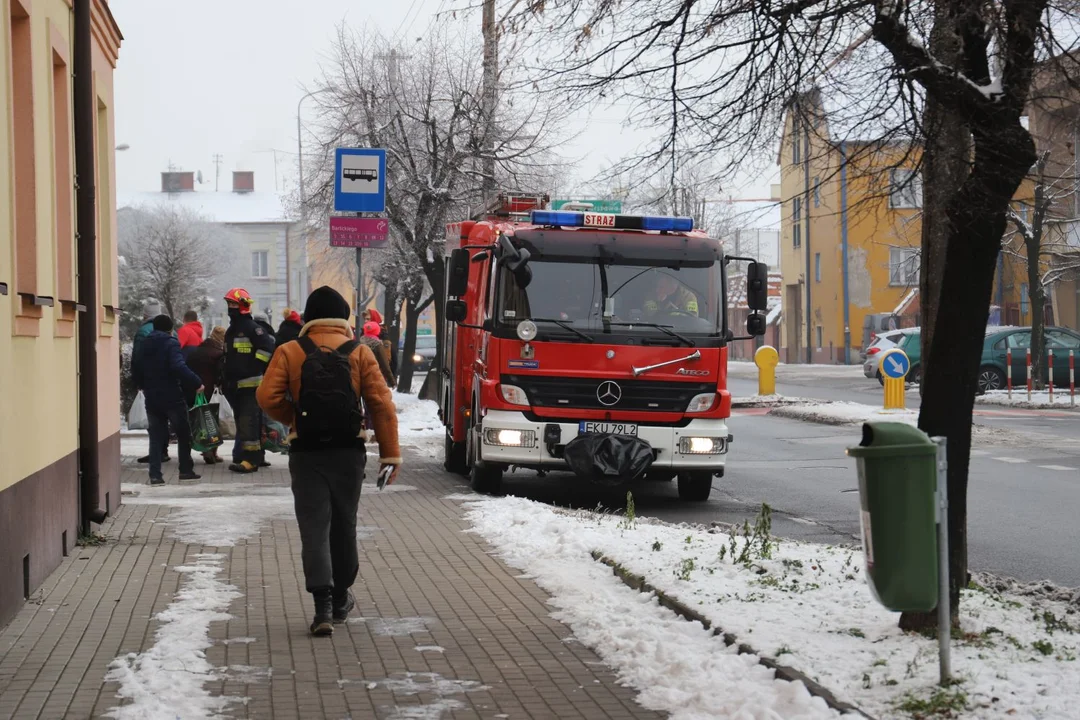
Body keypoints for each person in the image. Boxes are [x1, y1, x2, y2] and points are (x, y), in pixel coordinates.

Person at [257, 286, 401, 636]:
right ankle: (340, 600)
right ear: (344, 319)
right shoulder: (359, 352)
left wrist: (294, 418)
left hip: (307, 452)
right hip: (347, 451)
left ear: (309, 317)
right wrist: (390, 455)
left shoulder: (290, 350)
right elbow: (381, 405)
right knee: (343, 525)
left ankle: (321, 607)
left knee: (313, 527)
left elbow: (266, 396)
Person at [133, 315, 204, 485]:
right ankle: (185, 470)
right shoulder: (171, 343)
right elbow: (178, 366)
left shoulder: (144, 343)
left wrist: (141, 384)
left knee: (156, 436)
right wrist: (196, 382)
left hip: (151, 395)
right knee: (183, 432)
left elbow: (137, 365)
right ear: (170, 329)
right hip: (171, 395)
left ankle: (155, 475)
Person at [222, 288, 275, 473]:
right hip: (236, 386)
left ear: (243, 305)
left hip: (250, 385)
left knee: (248, 422)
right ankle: (254, 457)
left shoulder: (253, 329)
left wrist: (252, 368)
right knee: (244, 422)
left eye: (234, 304)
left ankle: (250, 461)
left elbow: (267, 350)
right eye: (229, 304)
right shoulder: (232, 330)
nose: (230, 308)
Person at [133, 300, 170, 465]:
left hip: (150, 382)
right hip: (168, 382)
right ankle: (164, 450)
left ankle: (156, 453)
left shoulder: (143, 332)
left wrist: (137, 380)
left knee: (154, 420)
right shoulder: (171, 331)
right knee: (164, 417)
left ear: (146, 314)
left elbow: (137, 359)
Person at [186, 326, 228, 464]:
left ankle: (198, 448)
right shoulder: (219, 354)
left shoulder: (197, 351)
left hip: (194, 389)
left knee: (198, 420)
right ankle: (210, 452)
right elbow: (219, 374)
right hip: (210, 391)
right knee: (211, 422)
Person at [359, 321, 396, 387]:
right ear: (377, 331)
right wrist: (392, 381)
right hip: (375, 377)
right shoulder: (377, 345)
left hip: (361, 378)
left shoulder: (359, 344)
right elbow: (385, 365)